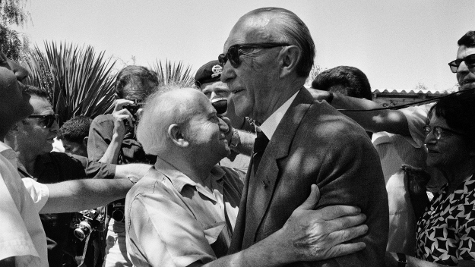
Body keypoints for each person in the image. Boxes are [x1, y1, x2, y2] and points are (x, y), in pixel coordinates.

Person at [219, 7, 388, 266]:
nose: (225, 74)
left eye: (236, 55)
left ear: (287, 60)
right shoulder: (270, 137)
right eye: (223, 59)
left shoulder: (338, 144)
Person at [126, 87, 369, 266]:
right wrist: (284, 246)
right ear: (179, 135)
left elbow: (282, 155)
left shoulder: (230, 179)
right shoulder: (153, 198)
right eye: (212, 118)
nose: (225, 124)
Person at [0, 51, 147, 267]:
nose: (22, 71)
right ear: (18, 125)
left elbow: (74, 194)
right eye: (1, 61)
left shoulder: (10, 168)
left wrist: (145, 179)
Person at [386, 91, 475, 266]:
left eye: (441, 132)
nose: (428, 139)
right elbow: (441, 238)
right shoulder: (449, 190)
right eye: (429, 130)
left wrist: (400, 261)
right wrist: (418, 195)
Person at [87, 65, 158, 267]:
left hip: (163, 216)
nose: (136, 108)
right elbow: (97, 177)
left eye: (144, 101)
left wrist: (151, 126)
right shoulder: (103, 124)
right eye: (131, 102)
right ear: (117, 99)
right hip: (122, 224)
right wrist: (118, 135)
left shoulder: (165, 123)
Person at [195, 60, 254, 173]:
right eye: (206, 94)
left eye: (221, 92)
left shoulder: (265, 135)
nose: (212, 100)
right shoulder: (197, 146)